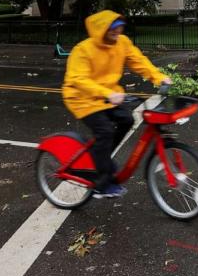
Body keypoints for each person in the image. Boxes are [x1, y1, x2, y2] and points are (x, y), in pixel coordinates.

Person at [62, 10, 171, 198]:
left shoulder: (122, 42)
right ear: (101, 30)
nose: (117, 31)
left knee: (127, 119)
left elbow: (139, 61)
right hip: (82, 98)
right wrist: (107, 93)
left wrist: (159, 77)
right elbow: (77, 79)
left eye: (119, 27)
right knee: (105, 131)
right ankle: (101, 183)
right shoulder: (83, 49)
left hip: (108, 96)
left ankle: (100, 158)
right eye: (112, 28)